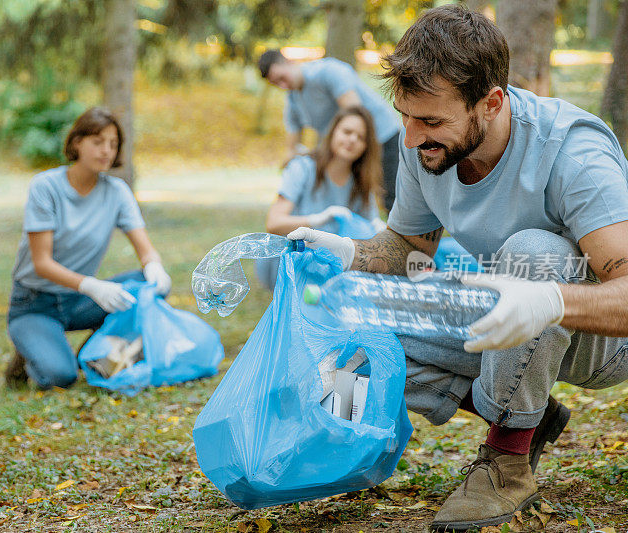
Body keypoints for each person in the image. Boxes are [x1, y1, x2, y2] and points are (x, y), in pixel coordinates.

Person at [288, 5, 628, 531]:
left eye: (430, 121)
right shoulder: (427, 148)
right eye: (404, 115)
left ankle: (507, 458)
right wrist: (349, 255)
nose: (409, 136)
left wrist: (550, 299)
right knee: (347, 309)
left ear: (490, 103)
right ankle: (529, 418)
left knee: (535, 253)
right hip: (508, 315)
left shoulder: (574, 154)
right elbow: (408, 247)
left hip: (602, 340)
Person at [5, 107, 172, 390]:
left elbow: (146, 251)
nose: (106, 150)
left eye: (113, 144)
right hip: (35, 304)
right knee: (61, 377)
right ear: (76, 143)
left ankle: (89, 352)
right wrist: (92, 286)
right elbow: (41, 262)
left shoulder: (117, 192)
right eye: (97, 142)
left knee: (150, 285)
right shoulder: (45, 187)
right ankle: (30, 349)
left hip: (79, 301)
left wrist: (155, 266)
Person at [256, 105, 387, 290]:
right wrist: (317, 219)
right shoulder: (302, 167)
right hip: (291, 264)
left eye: (361, 137)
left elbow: (370, 225)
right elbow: (274, 223)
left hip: (330, 271)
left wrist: (379, 228)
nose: (352, 140)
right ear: (333, 132)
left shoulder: (360, 183)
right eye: (347, 131)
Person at [258, 48, 401, 211]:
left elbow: (356, 117)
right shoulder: (293, 101)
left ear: (290, 63)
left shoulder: (328, 72)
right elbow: (292, 149)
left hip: (383, 136)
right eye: (276, 84)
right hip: (352, 146)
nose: (283, 86)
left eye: (282, 78)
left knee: (392, 198)